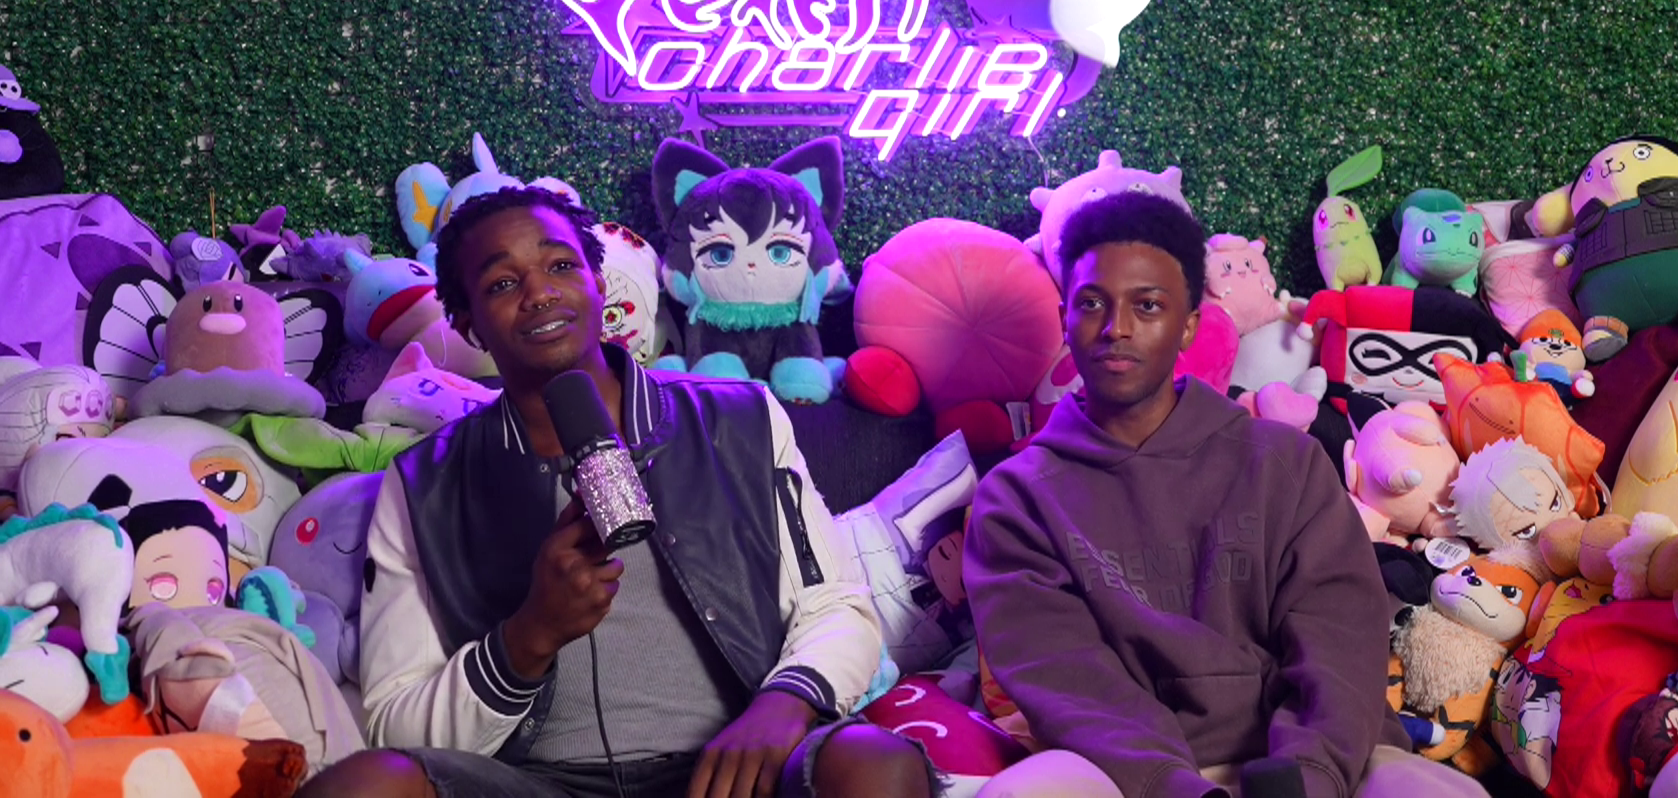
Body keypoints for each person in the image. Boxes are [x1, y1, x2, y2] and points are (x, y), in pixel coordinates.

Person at [301, 187, 931, 798]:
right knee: (365, 785)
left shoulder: (743, 419)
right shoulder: (424, 483)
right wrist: (526, 638)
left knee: (873, 762)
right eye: (501, 284)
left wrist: (785, 702)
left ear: (599, 284)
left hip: (732, 770)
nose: (539, 293)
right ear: (467, 325)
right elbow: (393, 722)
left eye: (560, 266)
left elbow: (836, 605)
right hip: (537, 782)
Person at [963, 192, 1489, 798]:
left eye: (1148, 305)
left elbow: (1338, 636)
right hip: (1130, 775)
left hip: (1319, 762)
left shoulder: (1284, 461)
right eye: (1091, 303)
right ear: (1064, 317)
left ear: (1189, 324)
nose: (1117, 328)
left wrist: (1308, 776)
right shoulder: (1016, 500)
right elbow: (1068, 680)